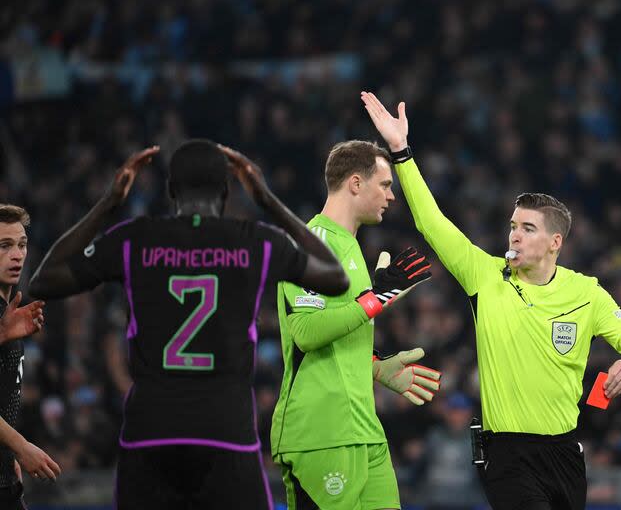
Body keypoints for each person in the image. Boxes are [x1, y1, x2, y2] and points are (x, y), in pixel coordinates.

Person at [361, 91, 621, 510]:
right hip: (506, 456)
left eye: (528, 228)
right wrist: (400, 151)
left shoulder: (586, 293)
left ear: (555, 242)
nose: (514, 235)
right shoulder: (485, 276)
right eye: (512, 225)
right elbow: (432, 222)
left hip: (565, 455)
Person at [29, 140, 349, 510]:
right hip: (226, 432)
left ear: (170, 191)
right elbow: (336, 277)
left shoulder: (136, 239)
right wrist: (267, 201)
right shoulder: (255, 242)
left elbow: (44, 280)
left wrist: (108, 204)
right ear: (228, 191)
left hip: (150, 433)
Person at [271, 140, 441, 510]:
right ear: (355, 183)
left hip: (363, 428)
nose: (391, 196)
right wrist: (376, 298)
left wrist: (376, 368)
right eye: (385, 184)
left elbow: (341, 334)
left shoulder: (349, 247)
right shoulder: (309, 244)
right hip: (321, 433)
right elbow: (306, 333)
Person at [0, 204, 60, 510]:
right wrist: (20, 447)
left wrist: (6, 454)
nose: (17, 255)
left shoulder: (8, 311)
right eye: (5, 246)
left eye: (21, 245)